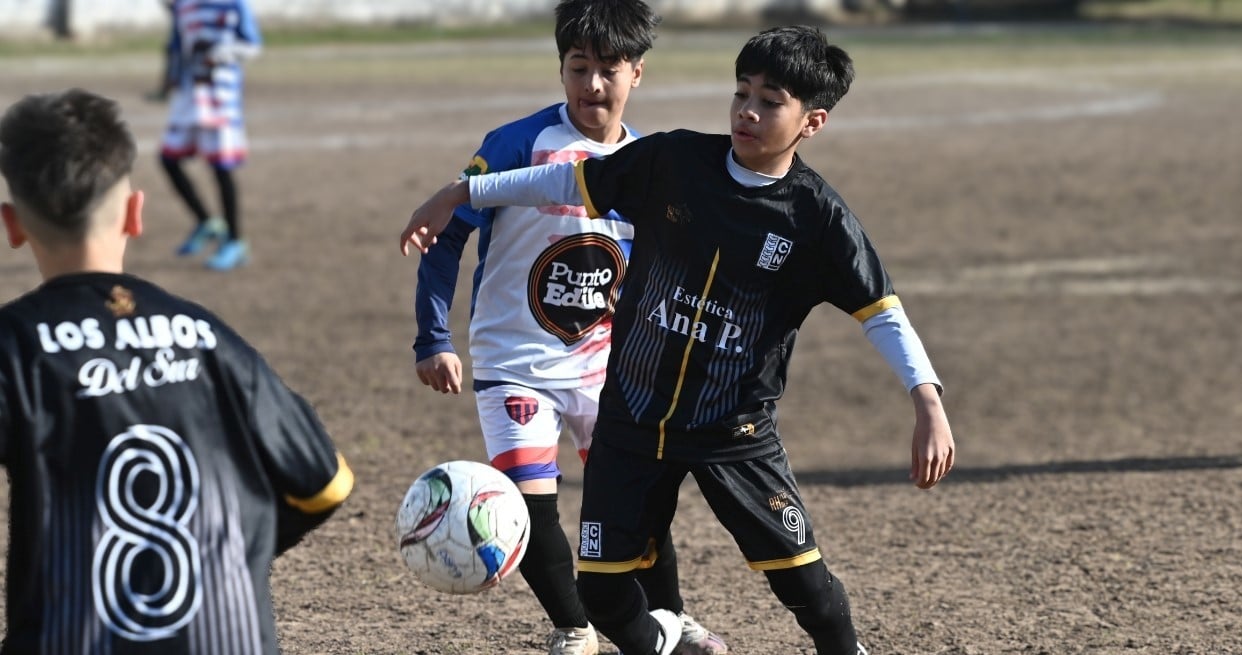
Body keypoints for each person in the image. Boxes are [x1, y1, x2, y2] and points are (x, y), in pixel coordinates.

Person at [399, 25, 957, 655]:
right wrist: (462, 191)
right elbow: (566, 182)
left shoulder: (819, 219)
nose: (747, 111)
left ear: (813, 121)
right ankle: (662, 638)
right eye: (741, 93)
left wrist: (927, 402)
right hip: (631, 419)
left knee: (805, 586)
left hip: (732, 431)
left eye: (770, 101)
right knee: (603, 592)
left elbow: (882, 313)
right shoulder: (672, 160)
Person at [408, 2, 725, 654]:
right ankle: (576, 626)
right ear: (560, 70)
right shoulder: (517, 145)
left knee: (637, 499)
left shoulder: (645, 163)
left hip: (606, 363)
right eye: (578, 68)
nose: (592, 85)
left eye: (609, 70)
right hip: (514, 360)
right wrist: (433, 336)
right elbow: (446, 235)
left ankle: (670, 614)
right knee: (530, 504)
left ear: (637, 72)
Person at [0, 88, 354, 654]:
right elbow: (325, 481)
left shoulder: (18, 345)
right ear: (135, 214)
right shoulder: (207, 336)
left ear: (13, 225)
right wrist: (231, 552)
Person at [159, 0, 261, 271]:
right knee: (168, 158)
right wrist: (168, 81)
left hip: (219, 94)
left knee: (220, 167)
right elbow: (176, 46)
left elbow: (252, 45)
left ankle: (235, 241)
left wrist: (218, 53)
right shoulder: (183, 6)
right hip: (188, 94)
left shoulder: (234, 4)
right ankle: (206, 222)